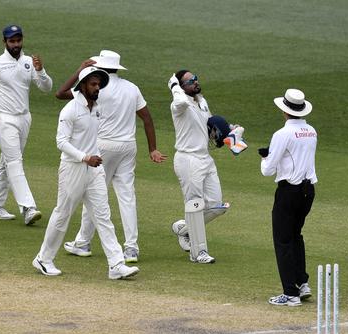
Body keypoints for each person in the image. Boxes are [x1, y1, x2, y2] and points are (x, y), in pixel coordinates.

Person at [54, 50, 167, 263]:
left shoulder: (96, 88)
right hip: (128, 147)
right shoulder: (132, 88)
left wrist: (79, 70)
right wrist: (153, 148)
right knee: (127, 196)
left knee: (94, 195)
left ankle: (83, 243)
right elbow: (147, 119)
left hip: (102, 147)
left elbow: (61, 93)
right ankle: (131, 248)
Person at [33, 67, 139, 280]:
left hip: (94, 170)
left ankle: (116, 264)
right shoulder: (70, 110)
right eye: (93, 84)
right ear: (82, 86)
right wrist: (84, 157)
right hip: (72, 168)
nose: (97, 88)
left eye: (99, 84)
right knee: (63, 214)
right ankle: (43, 259)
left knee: (103, 215)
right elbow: (61, 142)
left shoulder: (97, 108)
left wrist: (94, 158)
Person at [0, 24, 53, 225]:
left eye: (18, 40)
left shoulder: (29, 62)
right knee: (15, 161)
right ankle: (28, 208)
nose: (16, 44)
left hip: (24, 118)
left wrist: (40, 71)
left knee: (7, 161)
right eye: (12, 41)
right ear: (4, 42)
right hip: (4, 118)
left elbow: (46, 87)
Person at [167, 70, 232, 264]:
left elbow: (210, 129)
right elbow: (180, 102)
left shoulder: (202, 102)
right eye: (190, 81)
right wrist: (173, 87)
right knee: (195, 205)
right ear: (180, 86)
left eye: (196, 79)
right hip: (188, 159)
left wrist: (229, 132)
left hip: (205, 158)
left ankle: (183, 228)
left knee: (216, 206)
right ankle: (198, 253)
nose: (196, 82)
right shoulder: (179, 105)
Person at [262, 89, 317, 306]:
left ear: (284, 111)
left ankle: (290, 294)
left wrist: (265, 157)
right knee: (296, 235)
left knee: (283, 240)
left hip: (289, 191)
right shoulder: (311, 131)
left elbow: (268, 170)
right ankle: (302, 284)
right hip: (308, 191)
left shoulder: (281, 134)